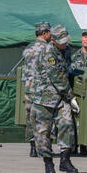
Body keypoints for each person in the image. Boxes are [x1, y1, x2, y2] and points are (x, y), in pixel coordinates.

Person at [30, 24, 80, 173]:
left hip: (61, 97)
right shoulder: (47, 53)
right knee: (43, 132)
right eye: (61, 41)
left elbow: (67, 69)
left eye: (66, 40)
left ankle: (65, 160)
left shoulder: (66, 49)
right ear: (53, 39)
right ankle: (48, 162)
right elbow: (57, 77)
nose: (65, 43)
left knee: (67, 124)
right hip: (44, 97)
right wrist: (71, 97)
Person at [22, 22, 51, 157]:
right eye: (49, 32)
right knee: (45, 117)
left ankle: (33, 146)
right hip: (43, 89)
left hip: (29, 88)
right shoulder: (48, 48)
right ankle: (44, 147)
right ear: (45, 33)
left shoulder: (28, 48)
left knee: (30, 117)